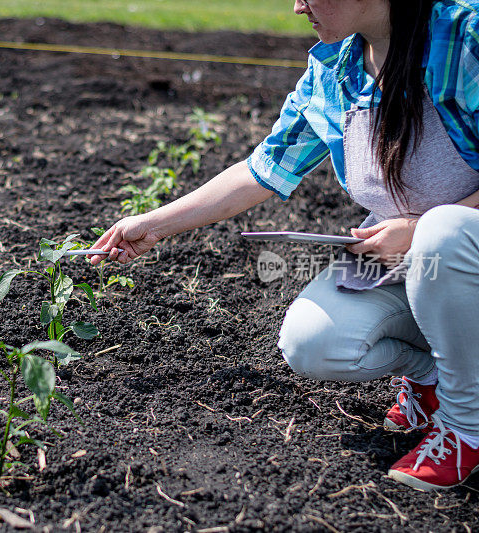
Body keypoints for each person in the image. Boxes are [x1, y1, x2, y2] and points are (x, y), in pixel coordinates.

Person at [90, 0, 479, 491]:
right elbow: (262, 170)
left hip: (461, 247)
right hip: (408, 259)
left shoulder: (464, 38)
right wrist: (152, 224)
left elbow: (438, 232)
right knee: (314, 343)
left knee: (444, 231)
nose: (298, 7)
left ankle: (468, 427)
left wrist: (419, 226)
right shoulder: (336, 71)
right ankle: (433, 378)